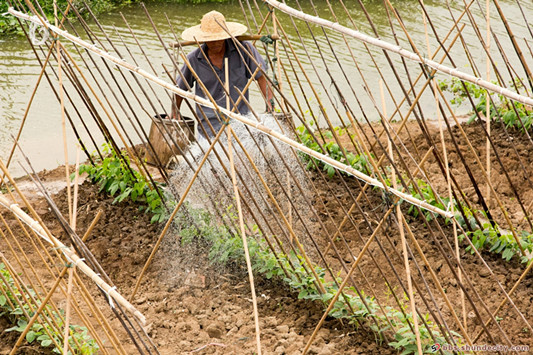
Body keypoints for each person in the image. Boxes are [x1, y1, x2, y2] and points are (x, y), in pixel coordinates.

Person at [171, 11, 272, 138]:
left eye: (219, 38)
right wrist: (176, 112)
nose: (215, 43)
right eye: (210, 40)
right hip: (209, 128)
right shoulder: (194, 59)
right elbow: (179, 89)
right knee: (210, 156)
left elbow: (261, 77)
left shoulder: (243, 50)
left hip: (240, 125)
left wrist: (270, 107)